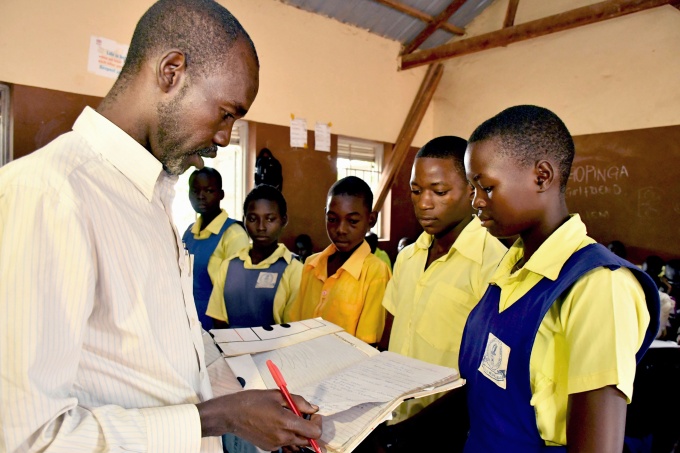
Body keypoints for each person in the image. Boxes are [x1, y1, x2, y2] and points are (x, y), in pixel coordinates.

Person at [0, 1, 322, 451]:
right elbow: (27, 438)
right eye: (226, 113)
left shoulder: (151, 197)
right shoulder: (50, 194)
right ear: (171, 71)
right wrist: (219, 417)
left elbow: (170, 358)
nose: (225, 136)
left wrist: (262, 409)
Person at [458, 105, 659, 451]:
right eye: (472, 188)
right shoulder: (511, 267)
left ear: (542, 177)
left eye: (486, 187)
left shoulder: (598, 286)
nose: (475, 202)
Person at [373, 136, 507, 451]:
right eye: (416, 191)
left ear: (472, 191)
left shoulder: (493, 263)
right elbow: (388, 341)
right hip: (391, 422)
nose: (424, 202)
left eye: (440, 191)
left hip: (447, 431)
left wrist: (407, 434)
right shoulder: (407, 258)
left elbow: (489, 378)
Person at [284, 176, 391, 345]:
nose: (340, 229)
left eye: (353, 221)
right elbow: (296, 325)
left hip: (347, 368)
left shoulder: (375, 272)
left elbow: (367, 343)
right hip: (303, 363)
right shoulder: (312, 265)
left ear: (371, 220)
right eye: (332, 219)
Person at [206, 184, 302, 328]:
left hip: (276, 349)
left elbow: (293, 328)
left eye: (270, 219)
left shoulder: (294, 270)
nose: (261, 227)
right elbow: (218, 320)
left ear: (284, 220)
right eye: (252, 219)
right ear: (244, 221)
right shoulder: (229, 265)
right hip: (231, 348)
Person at [183, 167, 249, 330]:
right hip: (187, 318)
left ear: (221, 194)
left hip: (217, 322)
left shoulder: (233, 234)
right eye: (195, 190)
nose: (201, 196)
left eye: (208, 190)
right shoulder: (189, 233)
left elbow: (238, 290)